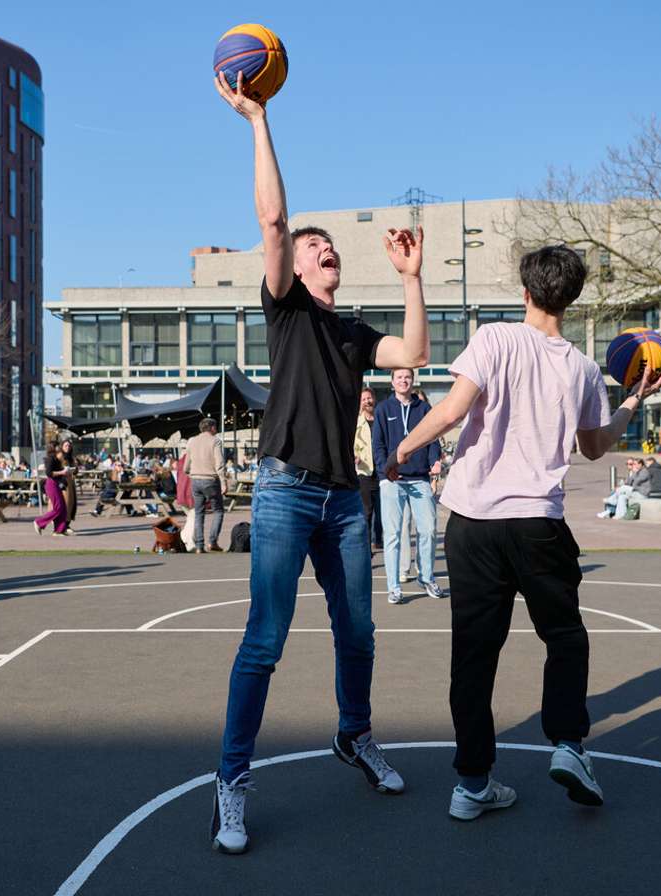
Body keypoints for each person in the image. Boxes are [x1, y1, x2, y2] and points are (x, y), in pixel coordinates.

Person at [210, 69, 431, 853]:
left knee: (360, 633)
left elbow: (415, 349)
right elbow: (272, 220)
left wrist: (412, 279)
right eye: (316, 247)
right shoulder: (288, 309)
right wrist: (257, 120)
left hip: (342, 497)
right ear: (297, 270)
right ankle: (231, 783)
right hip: (282, 490)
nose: (326, 250)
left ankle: (355, 735)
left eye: (332, 247)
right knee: (264, 640)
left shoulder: (356, 331)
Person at [386, 245, 661, 821]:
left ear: (525, 292)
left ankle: (471, 784)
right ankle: (568, 744)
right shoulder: (585, 368)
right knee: (564, 637)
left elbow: (452, 411)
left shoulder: (493, 339)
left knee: (473, 654)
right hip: (538, 522)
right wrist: (632, 402)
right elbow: (594, 447)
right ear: (573, 298)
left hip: (473, 522)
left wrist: (403, 449)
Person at [373, 369, 443, 602]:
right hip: (392, 481)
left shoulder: (423, 409)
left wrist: (434, 460)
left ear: (413, 381)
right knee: (392, 535)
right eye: (399, 377)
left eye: (407, 377)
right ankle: (394, 586)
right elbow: (378, 444)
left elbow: (433, 437)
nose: (403, 381)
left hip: (420, 479)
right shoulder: (383, 409)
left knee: (429, 530)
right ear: (392, 382)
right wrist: (385, 472)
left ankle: (426, 577)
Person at [183, 417, 227, 554]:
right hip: (210, 480)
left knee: (199, 512)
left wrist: (192, 473)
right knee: (218, 510)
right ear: (212, 428)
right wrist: (224, 482)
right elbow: (219, 463)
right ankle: (212, 542)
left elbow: (186, 467)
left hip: (195, 480)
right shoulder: (215, 441)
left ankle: (199, 546)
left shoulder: (192, 441)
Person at [354, 387, 383, 552]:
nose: (367, 401)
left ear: (374, 399)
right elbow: (351, 443)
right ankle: (366, 547)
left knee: (381, 511)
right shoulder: (357, 422)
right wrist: (354, 456)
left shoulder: (380, 419)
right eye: (364, 399)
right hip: (364, 471)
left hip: (381, 470)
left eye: (369, 398)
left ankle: (377, 539)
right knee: (367, 511)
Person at [34, 443, 70, 536]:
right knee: (58, 508)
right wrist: (62, 471)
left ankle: (59, 530)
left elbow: (59, 472)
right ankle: (39, 522)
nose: (62, 451)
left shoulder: (57, 460)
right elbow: (49, 473)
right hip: (51, 484)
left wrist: (66, 473)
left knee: (63, 508)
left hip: (56, 484)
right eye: (58, 446)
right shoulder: (50, 459)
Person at [60, 439, 79, 533]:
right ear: (62, 447)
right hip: (62, 483)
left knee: (71, 504)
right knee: (64, 504)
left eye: (69, 445)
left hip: (70, 483)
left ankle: (67, 524)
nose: (68, 447)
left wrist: (75, 468)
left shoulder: (72, 457)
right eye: (66, 445)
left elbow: (76, 470)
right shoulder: (60, 456)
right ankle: (61, 525)